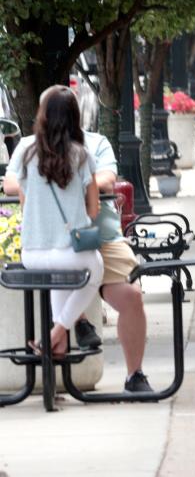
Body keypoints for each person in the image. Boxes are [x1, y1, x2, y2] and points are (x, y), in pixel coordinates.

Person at [4, 125, 153, 391]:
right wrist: (75, 181)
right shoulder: (28, 146)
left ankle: (134, 375)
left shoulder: (94, 143)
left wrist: (59, 179)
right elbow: (10, 183)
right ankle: (62, 366)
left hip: (100, 235)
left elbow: (109, 179)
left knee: (132, 296)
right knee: (70, 268)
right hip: (52, 240)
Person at [3, 86, 103, 357]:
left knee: (60, 282)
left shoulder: (27, 154)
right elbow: (93, 209)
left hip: (32, 253)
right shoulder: (81, 155)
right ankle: (54, 335)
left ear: (43, 116)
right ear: (74, 116)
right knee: (96, 271)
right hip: (69, 252)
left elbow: (25, 204)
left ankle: (54, 360)